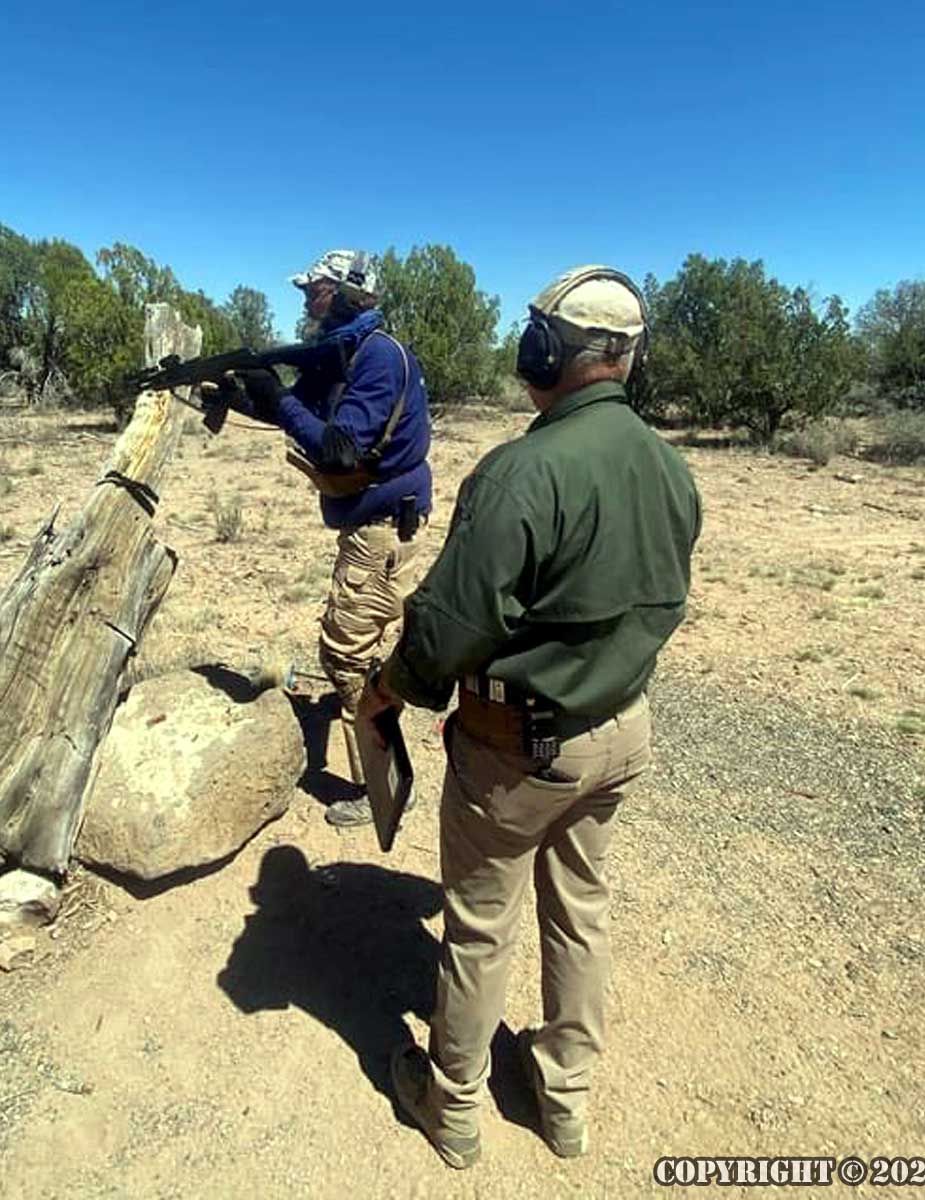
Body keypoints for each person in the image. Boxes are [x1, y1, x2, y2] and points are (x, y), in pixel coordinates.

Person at [356, 265, 702, 1168]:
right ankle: (564, 1100)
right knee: (580, 910)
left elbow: (450, 626)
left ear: (548, 350)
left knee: (479, 926)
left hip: (518, 751)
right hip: (620, 734)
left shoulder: (521, 471)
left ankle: (453, 1105)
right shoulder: (671, 469)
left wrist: (390, 687)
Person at [222, 249, 433, 826]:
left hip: (380, 532)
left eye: (313, 289)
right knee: (356, 650)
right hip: (372, 526)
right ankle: (381, 755)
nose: (306, 300)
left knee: (345, 656)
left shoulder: (378, 357)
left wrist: (278, 397)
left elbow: (338, 448)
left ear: (343, 292)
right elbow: (302, 413)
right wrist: (242, 397)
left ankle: (382, 786)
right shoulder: (348, 351)